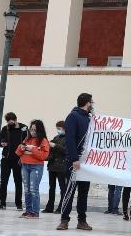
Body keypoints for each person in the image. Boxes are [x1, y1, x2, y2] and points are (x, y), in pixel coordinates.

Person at [57, 93, 94, 231]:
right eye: (91, 102)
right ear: (87, 103)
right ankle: (64, 220)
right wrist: (74, 159)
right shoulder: (73, 116)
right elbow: (70, 139)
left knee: (83, 192)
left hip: (86, 162)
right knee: (69, 191)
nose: (92, 105)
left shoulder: (90, 119)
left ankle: (82, 220)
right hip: (75, 161)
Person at [16, 119, 50, 219]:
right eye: (31, 129)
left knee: (33, 189)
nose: (32, 132)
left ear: (39, 130)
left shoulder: (43, 141)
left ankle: (35, 212)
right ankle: (28, 211)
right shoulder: (27, 139)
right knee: (27, 189)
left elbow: (44, 156)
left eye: (35, 130)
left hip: (36, 167)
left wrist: (33, 149)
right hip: (25, 166)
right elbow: (18, 153)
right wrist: (21, 148)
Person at [0, 112, 28, 211]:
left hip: (18, 159)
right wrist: (1, 143)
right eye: (8, 122)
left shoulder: (23, 128)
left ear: (15, 120)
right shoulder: (5, 129)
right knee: (3, 182)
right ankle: (2, 203)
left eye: (11, 121)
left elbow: (27, 142)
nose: (10, 123)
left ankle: (19, 204)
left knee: (18, 181)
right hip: (6, 159)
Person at [44, 120, 68, 214]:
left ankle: (61, 207)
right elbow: (50, 149)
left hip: (62, 166)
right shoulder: (56, 137)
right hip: (52, 166)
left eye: (59, 128)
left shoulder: (68, 138)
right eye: (57, 128)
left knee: (62, 187)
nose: (58, 130)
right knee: (51, 187)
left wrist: (55, 145)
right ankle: (49, 207)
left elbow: (66, 151)